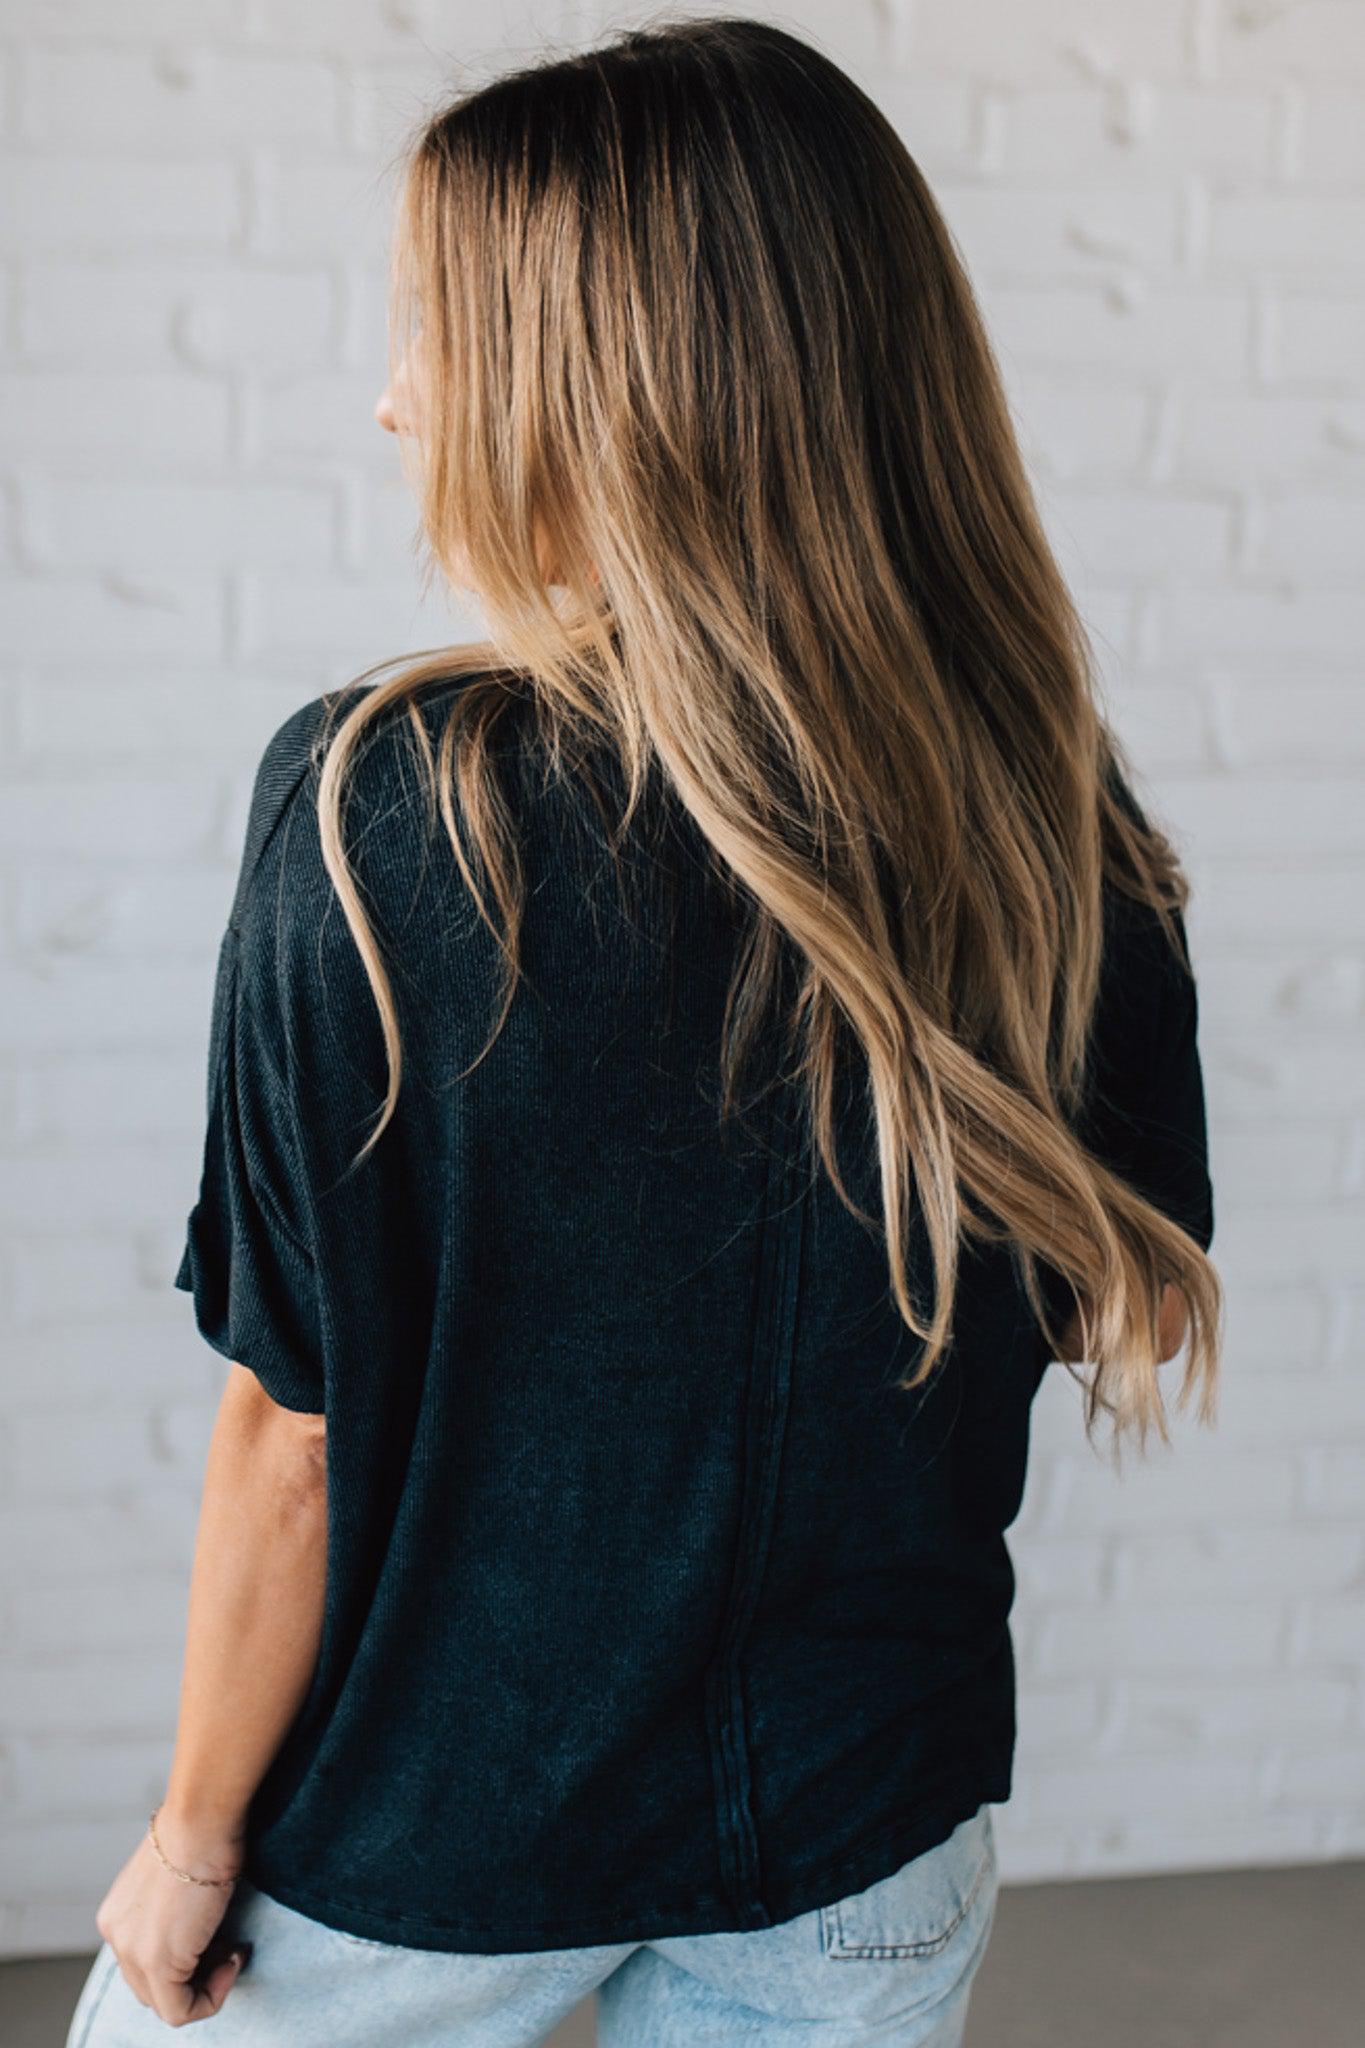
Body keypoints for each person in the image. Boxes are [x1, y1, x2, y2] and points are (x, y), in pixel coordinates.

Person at [65, 17, 1223, 2046]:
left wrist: (183, 1835)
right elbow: (1067, 1308)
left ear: (604, 397)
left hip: (432, 1840)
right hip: (862, 1837)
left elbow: (293, 1441)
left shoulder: (380, 806)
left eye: (439, 330)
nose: (392, 395)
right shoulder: (1056, 816)